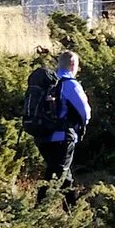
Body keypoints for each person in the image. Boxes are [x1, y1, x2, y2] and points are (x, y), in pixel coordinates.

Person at [23, 50, 93, 185]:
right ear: (73, 65)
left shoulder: (47, 81)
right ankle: (52, 204)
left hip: (42, 137)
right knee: (61, 176)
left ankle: (55, 204)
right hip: (62, 137)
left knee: (56, 174)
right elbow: (85, 111)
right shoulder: (69, 83)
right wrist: (81, 127)